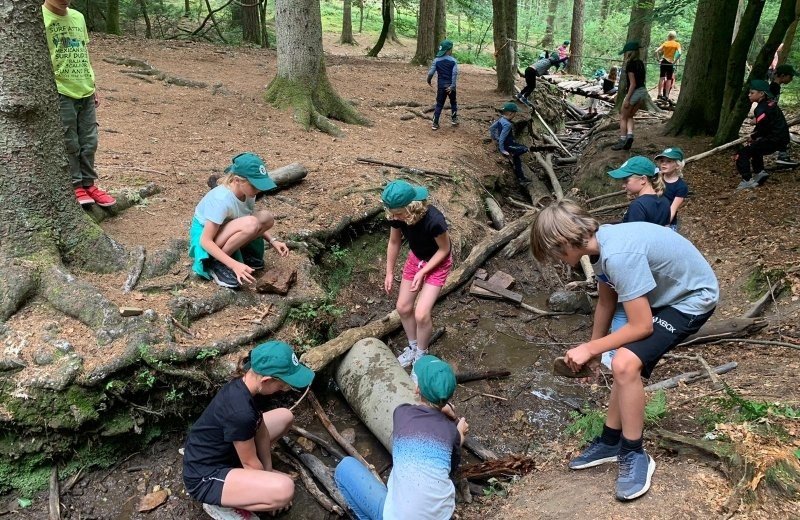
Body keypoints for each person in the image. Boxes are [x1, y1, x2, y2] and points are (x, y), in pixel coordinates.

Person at [530, 200, 718, 502]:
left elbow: (642, 326)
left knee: (625, 365)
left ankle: (634, 453)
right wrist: (593, 351)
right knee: (620, 361)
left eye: (552, 253)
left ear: (562, 242)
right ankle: (610, 441)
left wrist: (590, 347)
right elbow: (606, 302)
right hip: (664, 295)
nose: (554, 260)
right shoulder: (603, 248)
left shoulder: (618, 255)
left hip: (691, 298)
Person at [182, 340, 315, 520]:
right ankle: (221, 503)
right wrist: (268, 493)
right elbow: (251, 464)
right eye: (283, 384)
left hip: (230, 446)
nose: (285, 389)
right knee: (284, 491)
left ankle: (246, 486)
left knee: (285, 416)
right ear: (267, 380)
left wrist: (268, 472)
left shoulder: (250, 386)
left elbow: (260, 430)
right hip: (206, 476)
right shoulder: (241, 412)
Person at [334, 355, 469, 520]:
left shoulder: (402, 412)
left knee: (344, 468)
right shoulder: (450, 432)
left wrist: (444, 412)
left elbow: (423, 416)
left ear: (417, 389)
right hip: (441, 515)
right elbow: (452, 464)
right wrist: (457, 429)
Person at [43, 0, 116, 207]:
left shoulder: (78, 17)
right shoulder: (39, 18)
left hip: (84, 89)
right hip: (61, 90)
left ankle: (89, 184)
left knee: (89, 141)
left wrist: (92, 85)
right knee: (70, 141)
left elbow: (83, 53)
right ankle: (75, 185)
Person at [600, 156, 671, 369]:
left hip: (636, 267)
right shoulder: (664, 202)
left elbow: (631, 241)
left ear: (642, 180)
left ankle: (614, 355)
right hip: (654, 266)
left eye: (626, 180)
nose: (623, 185)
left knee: (623, 310)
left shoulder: (638, 206)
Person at [189, 153, 289, 289]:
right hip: (206, 237)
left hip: (226, 229)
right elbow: (205, 241)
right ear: (237, 180)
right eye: (254, 185)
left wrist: (272, 240)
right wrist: (234, 265)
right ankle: (217, 263)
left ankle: (237, 254)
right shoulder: (221, 199)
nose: (258, 189)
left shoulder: (248, 193)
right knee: (251, 223)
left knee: (266, 218)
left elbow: (247, 217)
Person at [382, 181, 452, 368]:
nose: (394, 218)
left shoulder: (434, 221)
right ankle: (413, 347)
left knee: (421, 314)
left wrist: (424, 272)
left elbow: (445, 250)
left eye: (398, 214)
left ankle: (421, 355)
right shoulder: (396, 216)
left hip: (437, 262)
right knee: (403, 308)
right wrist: (389, 272)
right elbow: (394, 242)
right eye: (392, 214)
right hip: (416, 259)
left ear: (411, 207)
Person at [734, 79, 790, 190]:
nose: (749, 95)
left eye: (752, 93)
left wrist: (753, 136)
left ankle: (747, 181)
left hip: (773, 140)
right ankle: (760, 173)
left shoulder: (762, 109)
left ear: (761, 94)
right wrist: (755, 137)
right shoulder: (770, 104)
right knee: (756, 148)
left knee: (741, 154)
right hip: (780, 139)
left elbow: (763, 127)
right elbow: (766, 125)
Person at [612, 41, 648, 151]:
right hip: (642, 92)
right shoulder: (640, 63)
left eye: (626, 52)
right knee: (630, 116)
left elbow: (633, 84)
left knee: (623, 116)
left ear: (629, 52)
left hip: (634, 92)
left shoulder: (630, 65)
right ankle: (630, 136)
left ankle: (622, 140)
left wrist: (627, 99)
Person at [489, 102, 530, 186]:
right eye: (515, 113)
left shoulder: (501, 119)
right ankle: (514, 156)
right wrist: (502, 150)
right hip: (508, 145)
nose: (515, 115)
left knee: (518, 158)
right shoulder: (507, 124)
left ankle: (521, 178)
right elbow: (502, 138)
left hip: (510, 143)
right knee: (524, 149)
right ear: (511, 113)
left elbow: (492, 128)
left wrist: (494, 137)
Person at [769, 64, 799, 166]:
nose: (791, 79)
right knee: (782, 132)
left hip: (773, 113)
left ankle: (783, 155)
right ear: (782, 76)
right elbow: (769, 103)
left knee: (783, 131)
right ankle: (782, 156)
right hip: (772, 114)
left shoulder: (775, 86)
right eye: (790, 77)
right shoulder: (773, 87)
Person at [427, 40, 459, 130]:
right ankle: (454, 119)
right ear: (449, 50)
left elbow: (431, 73)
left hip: (441, 86)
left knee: (439, 104)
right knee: (453, 102)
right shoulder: (453, 61)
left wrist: (428, 80)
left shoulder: (436, 60)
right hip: (451, 86)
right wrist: (452, 86)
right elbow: (454, 74)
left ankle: (435, 123)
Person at [654, 147, 689, 231]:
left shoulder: (681, 186)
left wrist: (663, 226)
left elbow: (672, 209)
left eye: (668, 161)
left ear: (677, 165)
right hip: (651, 218)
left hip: (667, 223)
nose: (664, 164)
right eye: (662, 161)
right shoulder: (656, 178)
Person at [654, 31, 681, 101]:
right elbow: (680, 53)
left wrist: (658, 59)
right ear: (675, 37)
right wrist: (674, 61)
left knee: (661, 78)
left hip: (664, 61)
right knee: (669, 79)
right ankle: (666, 95)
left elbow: (656, 51)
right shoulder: (677, 44)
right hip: (670, 63)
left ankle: (659, 94)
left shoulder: (666, 43)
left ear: (668, 36)